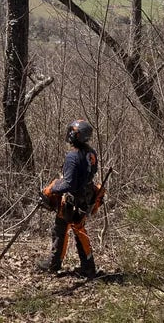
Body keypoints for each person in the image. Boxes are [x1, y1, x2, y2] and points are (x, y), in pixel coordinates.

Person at [37, 118, 99, 277]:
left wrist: (52, 188)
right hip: (86, 197)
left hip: (72, 200)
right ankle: (87, 266)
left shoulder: (73, 156)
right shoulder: (91, 153)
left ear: (75, 135)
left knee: (61, 230)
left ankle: (55, 264)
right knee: (78, 230)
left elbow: (69, 184)